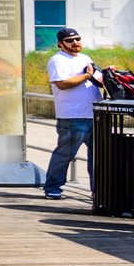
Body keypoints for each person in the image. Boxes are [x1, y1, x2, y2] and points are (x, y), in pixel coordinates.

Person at [42, 27, 102, 199]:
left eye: (77, 39)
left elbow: (97, 79)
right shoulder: (57, 60)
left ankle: (98, 190)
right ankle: (53, 188)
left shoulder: (85, 58)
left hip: (93, 115)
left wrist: (109, 74)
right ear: (60, 43)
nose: (75, 42)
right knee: (65, 154)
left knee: (98, 156)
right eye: (70, 40)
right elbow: (62, 83)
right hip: (73, 116)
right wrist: (86, 76)